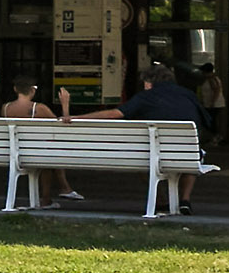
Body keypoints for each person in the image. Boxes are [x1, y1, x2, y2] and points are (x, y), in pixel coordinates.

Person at [74, 64, 211, 213]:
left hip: (155, 156)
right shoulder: (188, 94)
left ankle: (161, 200)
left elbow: (115, 114)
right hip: (186, 155)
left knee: (144, 159)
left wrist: (77, 118)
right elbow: (207, 121)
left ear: (149, 82)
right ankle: (185, 199)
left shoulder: (145, 96)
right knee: (193, 156)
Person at [0, 76, 78, 205]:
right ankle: (55, 193)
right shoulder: (39, 108)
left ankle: (62, 190)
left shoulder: (5, 108)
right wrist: (65, 104)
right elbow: (60, 127)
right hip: (36, 153)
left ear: (15, 89)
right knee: (48, 154)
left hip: (15, 153)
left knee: (47, 154)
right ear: (33, 90)